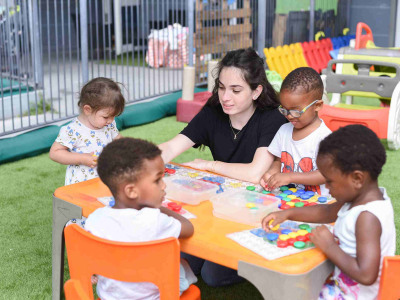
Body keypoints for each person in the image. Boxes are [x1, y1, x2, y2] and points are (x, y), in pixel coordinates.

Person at [262, 125, 396, 300]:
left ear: (357, 178)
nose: (326, 187)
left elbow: (366, 275)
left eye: (330, 182)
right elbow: (327, 211)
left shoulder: (367, 217)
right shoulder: (360, 199)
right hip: (342, 285)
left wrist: (328, 245)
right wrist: (288, 214)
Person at [85, 137, 197, 299]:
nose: (163, 185)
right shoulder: (154, 220)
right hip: (154, 296)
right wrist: (160, 208)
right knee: (181, 266)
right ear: (131, 191)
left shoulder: (95, 219)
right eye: (157, 180)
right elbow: (188, 228)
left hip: (109, 296)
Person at [159, 48, 286, 184]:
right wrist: (144, 161)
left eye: (235, 90)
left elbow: (255, 173)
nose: (225, 97)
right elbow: (172, 147)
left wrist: (210, 166)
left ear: (256, 92)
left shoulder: (273, 118)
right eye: (221, 87)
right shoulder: (212, 112)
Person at [260, 67, 331, 195]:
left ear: (317, 106)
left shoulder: (325, 138)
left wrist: (290, 177)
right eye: (284, 109)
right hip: (290, 199)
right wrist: (271, 173)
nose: (289, 115)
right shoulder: (284, 131)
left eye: (296, 111)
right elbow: (278, 161)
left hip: (319, 206)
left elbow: (325, 174)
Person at [49, 77, 125, 185]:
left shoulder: (109, 124)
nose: (111, 120)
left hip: (105, 178)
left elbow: (119, 141)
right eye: (106, 117)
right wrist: (82, 158)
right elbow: (55, 153)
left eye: (114, 116)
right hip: (81, 183)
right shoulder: (73, 130)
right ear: (87, 110)